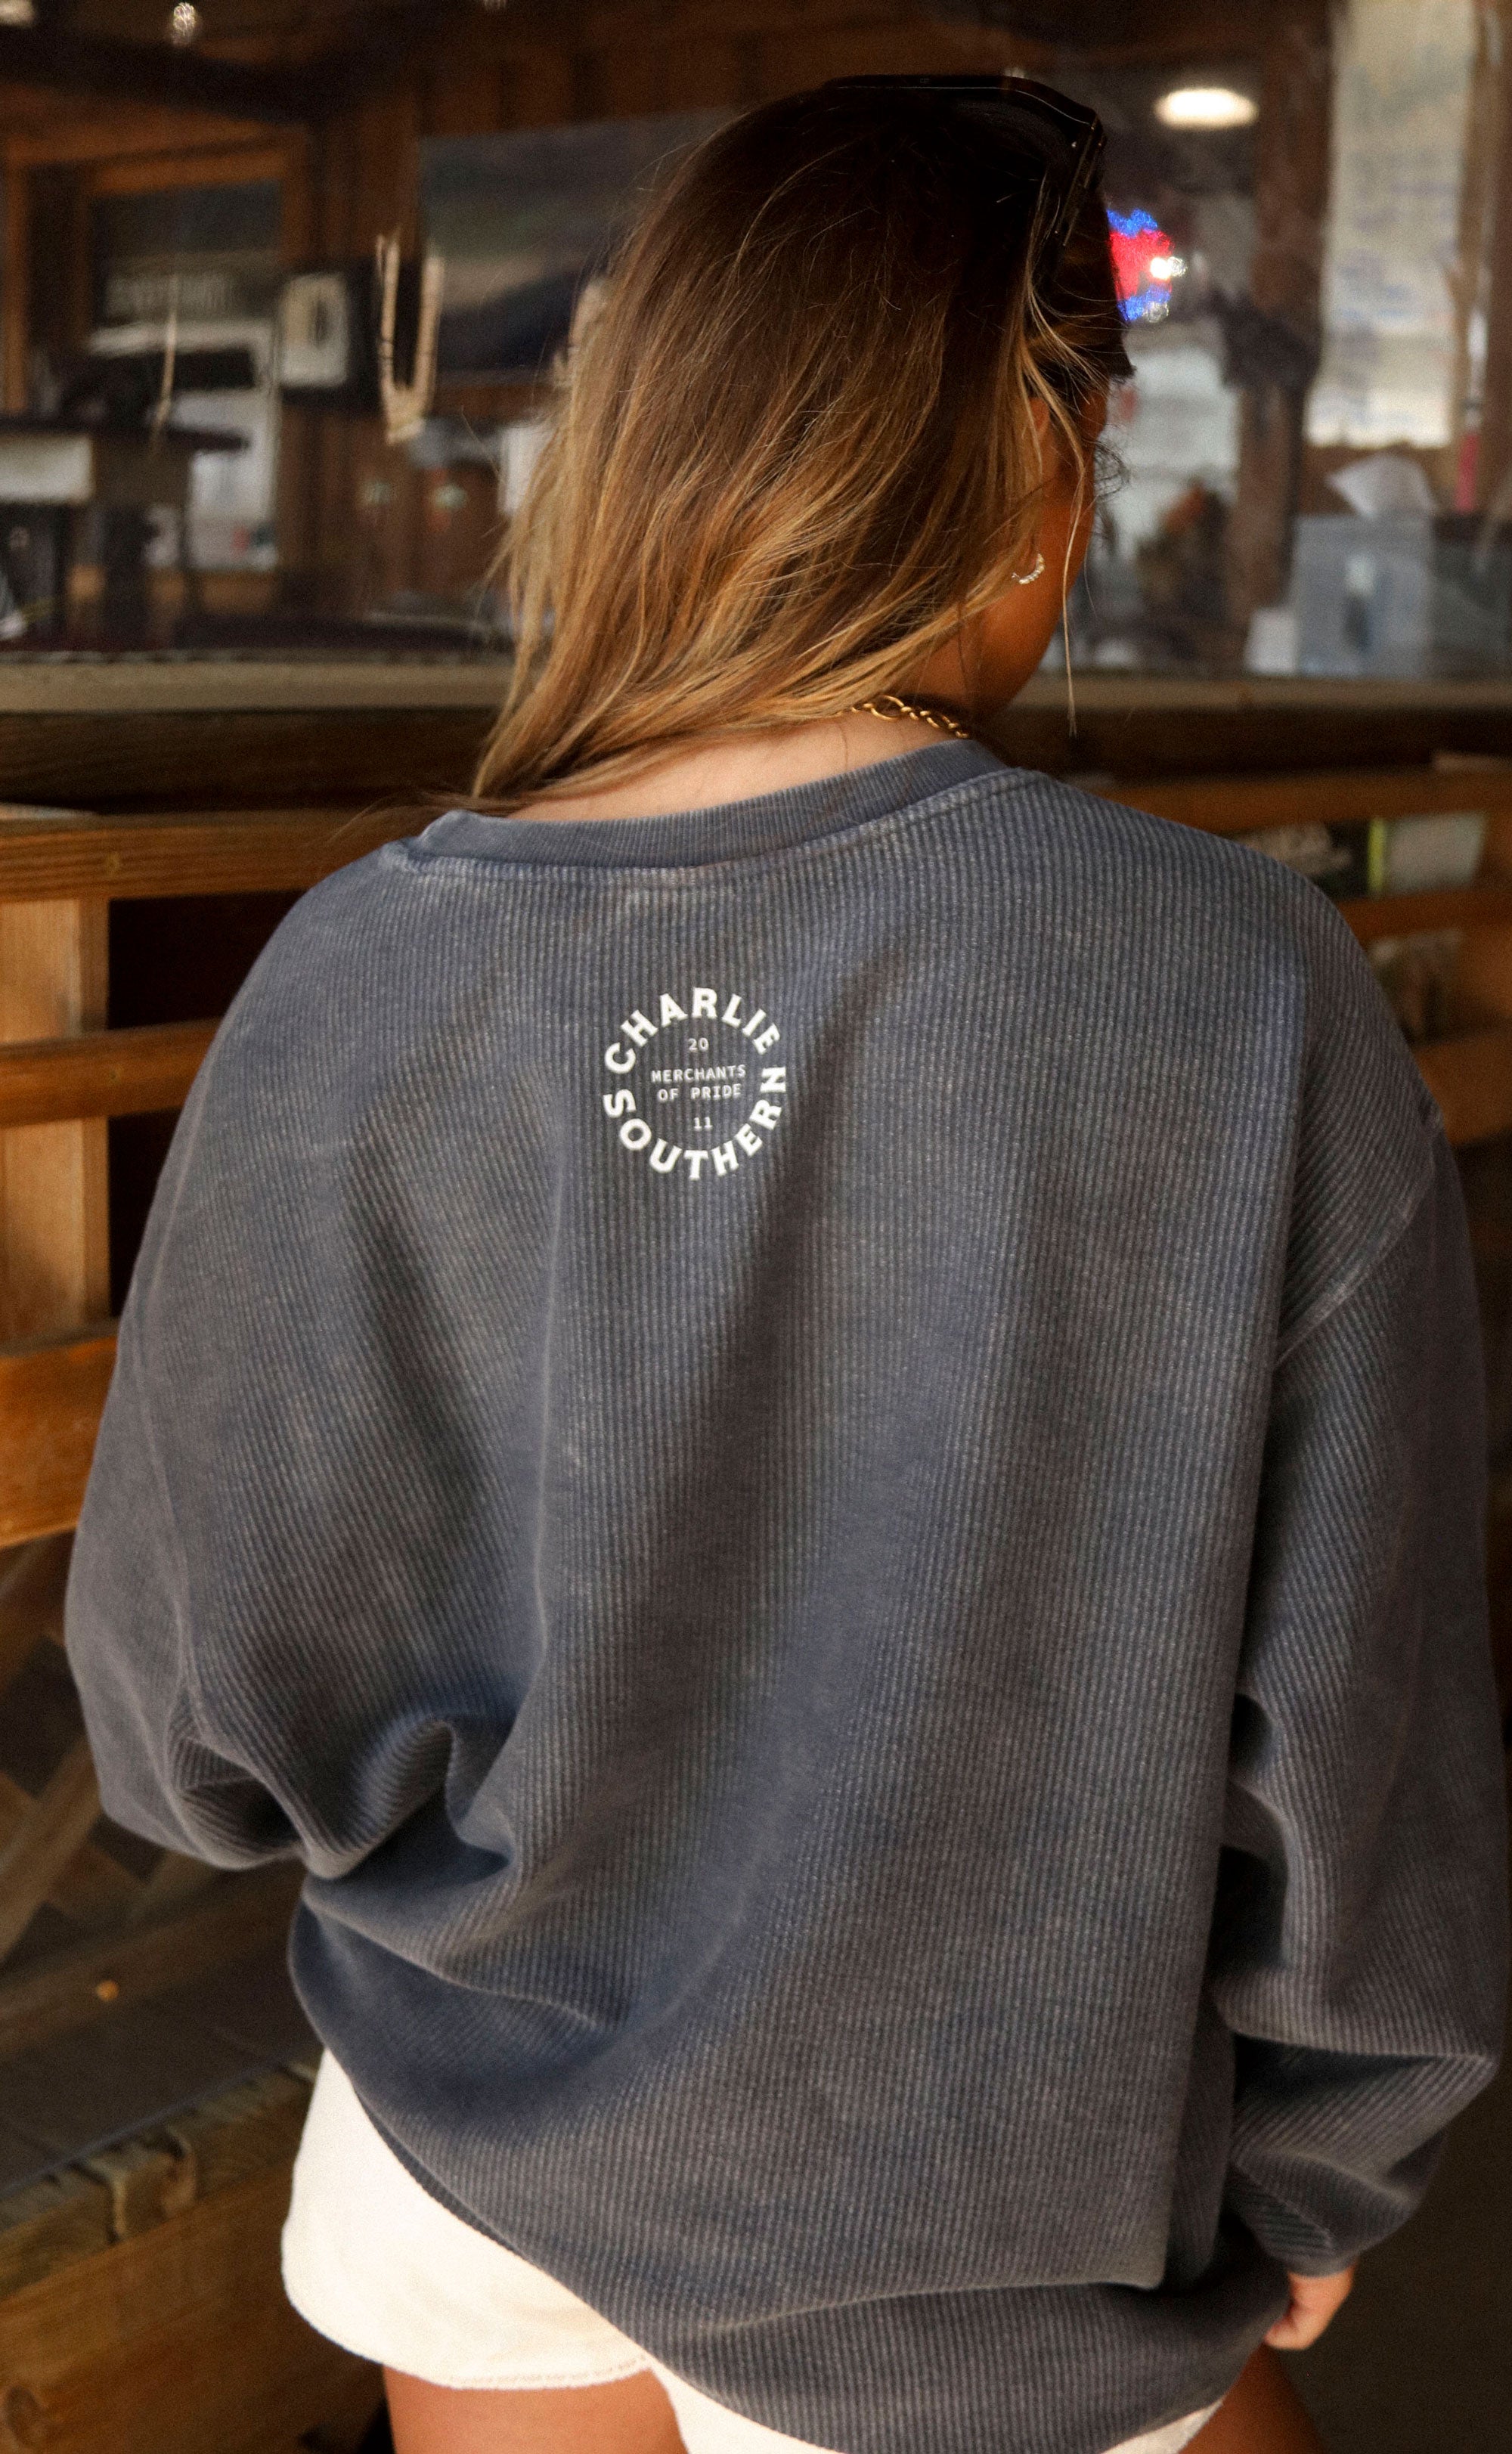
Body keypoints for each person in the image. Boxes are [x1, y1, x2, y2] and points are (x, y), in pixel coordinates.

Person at [65, 76, 1506, 2454]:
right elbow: (1355, 1721)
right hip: (1007, 2211)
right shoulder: (1234, 989)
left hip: (475, 2149)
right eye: (1098, 450)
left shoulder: (358, 975)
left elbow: (188, 1713)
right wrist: (1333, 2164)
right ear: (1032, 455)